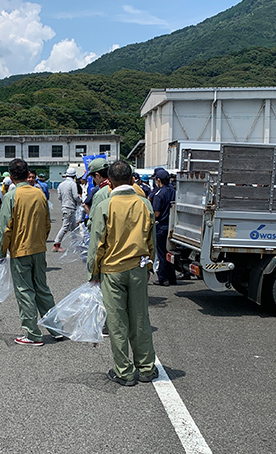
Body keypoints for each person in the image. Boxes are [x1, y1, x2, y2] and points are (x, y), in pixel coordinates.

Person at [87, 160, 157, 386]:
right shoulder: (144, 204)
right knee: (140, 319)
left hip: (112, 269)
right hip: (138, 267)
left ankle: (124, 371)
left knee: (117, 323)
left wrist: (94, 271)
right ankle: (146, 367)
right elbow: (151, 240)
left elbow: (97, 243)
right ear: (131, 179)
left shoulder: (104, 206)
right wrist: (149, 265)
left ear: (110, 181)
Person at [0, 158, 60, 346]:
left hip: (20, 249)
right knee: (42, 288)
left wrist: (1, 251)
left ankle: (33, 334)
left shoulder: (12, 195)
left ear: (11, 176)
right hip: (38, 247)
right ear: (27, 174)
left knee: (25, 291)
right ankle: (56, 328)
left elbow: (5, 228)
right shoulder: (39, 194)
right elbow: (47, 223)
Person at [152, 168, 177, 286]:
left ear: (158, 180)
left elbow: (156, 213)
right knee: (170, 252)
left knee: (161, 254)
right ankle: (172, 277)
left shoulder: (159, 194)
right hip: (172, 226)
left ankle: (163, 278)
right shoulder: (173, 191)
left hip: (161, 226)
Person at [52, 167, 81, 252]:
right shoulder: (72, 184)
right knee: (65, 227)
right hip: (71, 207)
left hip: (64, 206)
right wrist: (81, 200)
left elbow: (59, 197)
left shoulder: (61, 184)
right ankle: (56, 244)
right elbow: (75, 196)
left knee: (74, 228)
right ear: (74, 176)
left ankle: (77, 244)